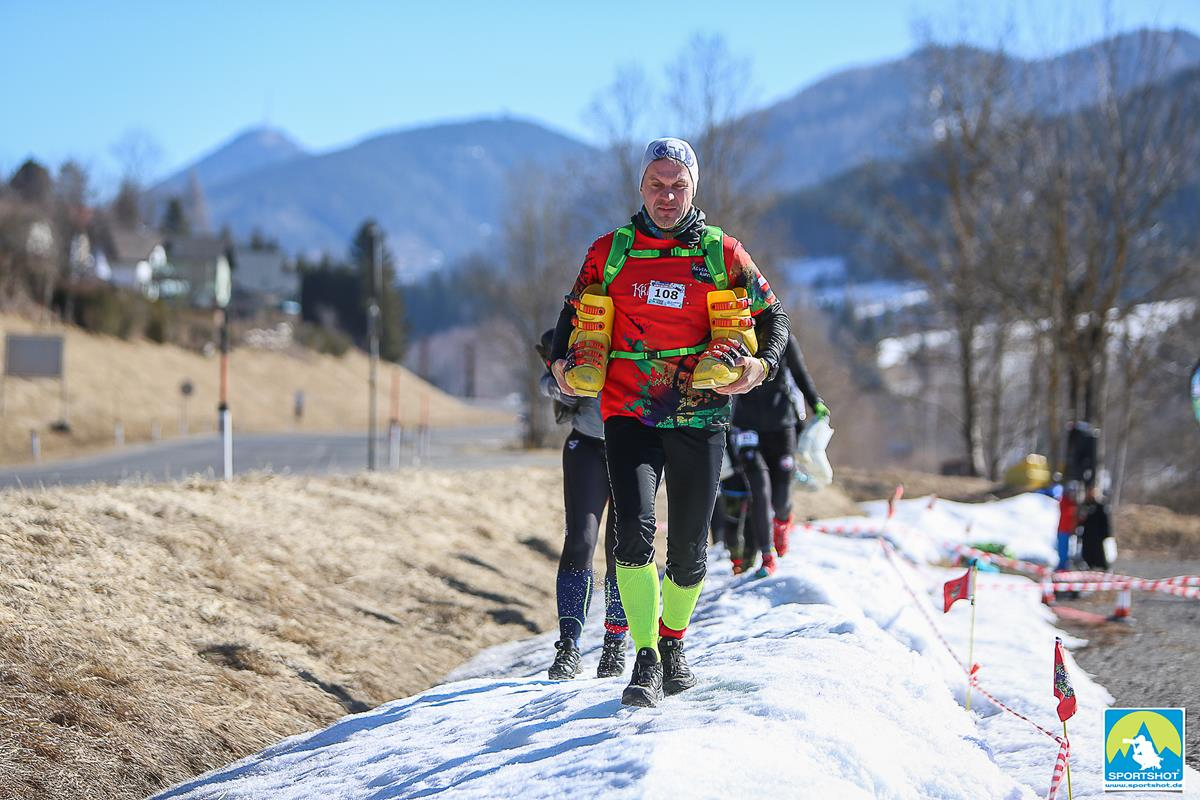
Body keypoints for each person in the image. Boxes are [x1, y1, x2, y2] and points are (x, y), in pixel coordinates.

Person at [550, 137, 791, 707]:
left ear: (694, 187)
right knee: (631, 532)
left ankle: (674, 640)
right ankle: (646, 657)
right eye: (656, 184)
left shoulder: (722, 254)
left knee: (686, 548)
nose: (666, 195)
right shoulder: (610, 252)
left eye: (678, 185)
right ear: (640, 187)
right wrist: (562, 363)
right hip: (628, 409)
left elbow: (773, 317)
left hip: (700, 412)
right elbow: (572, 309)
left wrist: (759, 366)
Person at [535, 330, 628, 680]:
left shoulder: (644, 321)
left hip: (635, 449)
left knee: (624, 548)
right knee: (580, 541)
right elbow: (546, 380)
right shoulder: (587, 321)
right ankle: (569, 646)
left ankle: (615, 642)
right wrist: (562, 384)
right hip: (587, 444)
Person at [729, 333, 828, 577]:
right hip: (747, 426)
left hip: (782, 425)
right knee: (759, 491)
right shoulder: (734, 334)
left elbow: (799, 373)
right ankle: (767, 556)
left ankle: (782, 521)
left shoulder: (782, 336)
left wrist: (815, 403)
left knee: (781, 497)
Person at [1078, 486, 1112, 571]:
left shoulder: (1101, 506)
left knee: (1100, 552)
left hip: (1098, 535)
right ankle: (1088, 565)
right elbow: (1081, 521)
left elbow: (1105, 521)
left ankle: (1104, 568)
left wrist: (1106, 534)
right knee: (1087, 551)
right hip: (1087, 534)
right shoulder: (1085, 505)